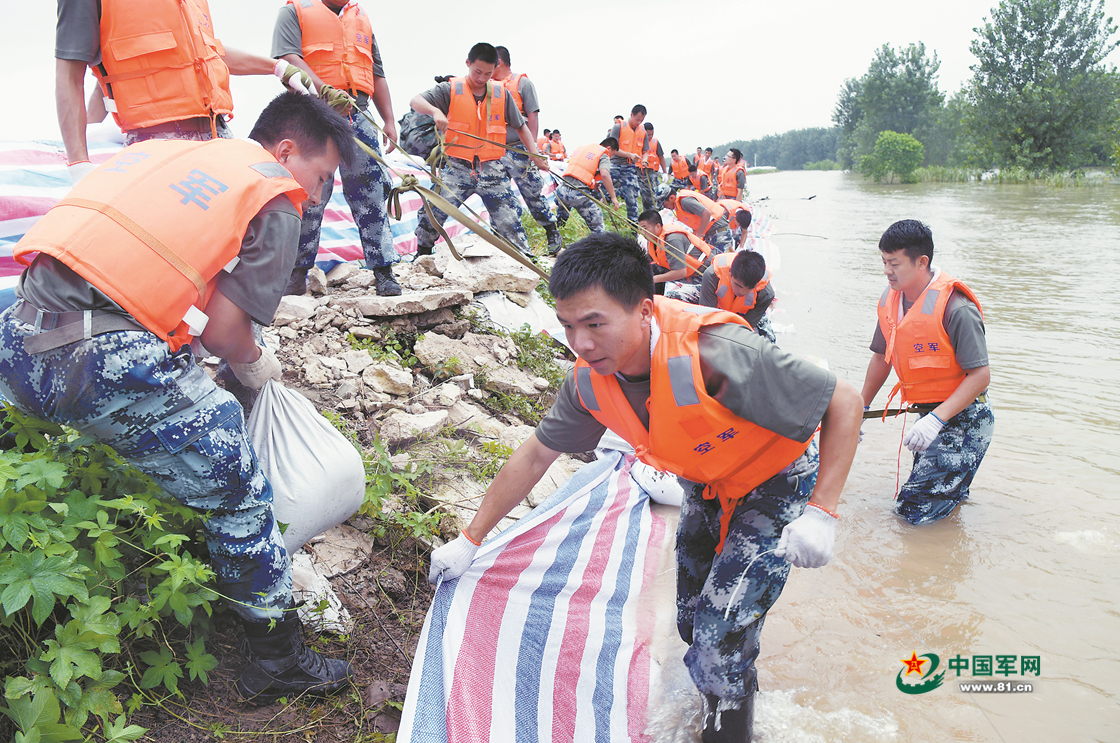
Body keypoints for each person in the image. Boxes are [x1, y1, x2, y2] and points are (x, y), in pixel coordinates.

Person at [428, 233, 862, 743]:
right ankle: (725, 684)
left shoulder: (716, 350)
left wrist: (822, 513)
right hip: (709, 480)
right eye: (568, 326)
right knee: (691, 619)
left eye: (595, 324)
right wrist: (471, 539)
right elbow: (536, 453)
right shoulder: (588, 379)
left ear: (643, 309)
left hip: (776, 481)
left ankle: (729, 730)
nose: (581, 343)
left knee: (720, 637)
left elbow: (845, 403)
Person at [0, 92, 358, 704]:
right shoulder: (272, 195)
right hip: (92, 362)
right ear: (286, 150)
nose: (321, 197)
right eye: (323, 178)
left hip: (15, 338)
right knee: (237, 481)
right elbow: (225, 332)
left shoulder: (168, 154)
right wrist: (253, 364)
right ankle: (276, 659)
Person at [55, 0, 292, 184]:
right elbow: (69, 76)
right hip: (156, 146)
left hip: (217, 134)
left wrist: (277, 67)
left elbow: (205, 54)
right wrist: (79, 166)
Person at [860, 219, 994, 525]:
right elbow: (883, 357)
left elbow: (981, 376)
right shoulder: (890, 300)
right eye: (883, 262)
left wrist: (936, 420)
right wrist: (860, 407)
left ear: (922, 262)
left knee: (913, 511)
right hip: (927, 416)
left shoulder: (955, 307)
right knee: (941, 505)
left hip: (965, 421)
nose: (887, 271)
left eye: (894, 263)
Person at [272, 0, 403, 297]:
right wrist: (323, 89)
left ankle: (383, 270)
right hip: (314, 112)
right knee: (310, 195)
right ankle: (296, 273)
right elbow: (286, 57)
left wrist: (389, 120)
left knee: (371, 192)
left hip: (359, 113)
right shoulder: (295, 11)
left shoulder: (361, 19)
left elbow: (376, 72)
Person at [408, 42, 549, 258]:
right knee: (434, 211)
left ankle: (523, 261)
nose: (482, 78)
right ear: (468, 63)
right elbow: (415, 101)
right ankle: (423, 253)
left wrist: (535, 155)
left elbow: (521, 126)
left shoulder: (501, 94)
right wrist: (435, 111)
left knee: (509, 218)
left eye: (488, 73)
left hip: (492, 169)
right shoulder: (450, 89)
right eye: (477, 72)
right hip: (456, 167)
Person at [493, 46, 562, 254]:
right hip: (495, 151)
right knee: (498, 195)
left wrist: (532, 149)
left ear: (499, 62)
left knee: (532, 193)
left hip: (519, 149)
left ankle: (551, 230)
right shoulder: (487, 86)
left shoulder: (523, 83)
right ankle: (503, 238)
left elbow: (532, 116)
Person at [699, 250, 777, 343]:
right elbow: (708, 317)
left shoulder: (766, 293)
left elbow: (746, 326)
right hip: (715, 306)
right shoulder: (712, 275)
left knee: (768, 341)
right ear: (730, 272)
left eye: (750, 288)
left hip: (743, 314)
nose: (742, 292)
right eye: (738, 285)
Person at [637, 209, 712, 303]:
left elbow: (681, 272)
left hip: (704, 278)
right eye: (640, 229)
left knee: (672, 297)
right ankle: (653, 300)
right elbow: (651, 259)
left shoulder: (672, 239)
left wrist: (652, 280)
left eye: (645, 228)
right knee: (649, 270)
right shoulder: (653, 240)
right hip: (689, 274)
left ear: (658, 226)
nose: (642, 233)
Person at [554, 138, 621, 239]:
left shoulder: (583, 149)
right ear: (609, 148)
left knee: (561, 218)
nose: (611, 157)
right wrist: (613, 198)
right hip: (577, 196)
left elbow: (577, 173)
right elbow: (605, 175)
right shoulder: (604, 153)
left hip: (561, 190)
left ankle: (556, 239)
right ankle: (598, 248)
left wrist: (592, 186)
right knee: (598, 225)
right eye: (613, 154)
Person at [607, 105, 649, 224]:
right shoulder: (618, 127)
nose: (639, 122)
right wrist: (629, 155)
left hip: (629, 168)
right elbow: (613, 150)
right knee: (602, 190)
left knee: (632, 198)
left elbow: (645, 151)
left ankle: (634, 228)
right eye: (637, 119)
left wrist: (644, 160)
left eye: (642, 120)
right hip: (614, 165)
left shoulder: (643, 132)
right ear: (631, 115)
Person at [664, 188, 733, 253]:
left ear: (672, 198)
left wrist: (698, 236)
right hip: (712, 233)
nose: (666, 208)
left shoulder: (685, 201)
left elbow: (706, 213)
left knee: (717, 262)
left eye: (665, 205)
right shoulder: (680, 204)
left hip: (719, 232)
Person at [637, 122, 667, 211]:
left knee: (653, 192)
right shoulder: (638, 140)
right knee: (644, 194)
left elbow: (661, 157)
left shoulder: (655, 142)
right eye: (648, 134)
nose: (650, 136)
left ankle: (657, 210)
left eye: (652, 134)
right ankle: (649, 212)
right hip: (639, 170)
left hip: (651, 172)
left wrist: (664, 172)